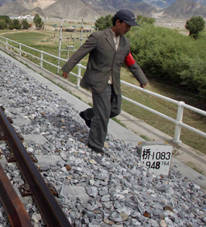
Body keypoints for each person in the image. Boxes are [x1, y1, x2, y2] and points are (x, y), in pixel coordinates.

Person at [61, 9, 148, 154]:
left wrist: (142, 78)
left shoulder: (125, 42)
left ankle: (88, 115)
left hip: (114, 82)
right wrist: (68, 67)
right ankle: (95, 145)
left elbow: (130, 62)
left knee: (115, 110)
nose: (129, 29)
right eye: (127, 25)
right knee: (102, 115)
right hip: (99, 81)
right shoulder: (98, 37)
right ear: (118, 22)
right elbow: (81, 52)